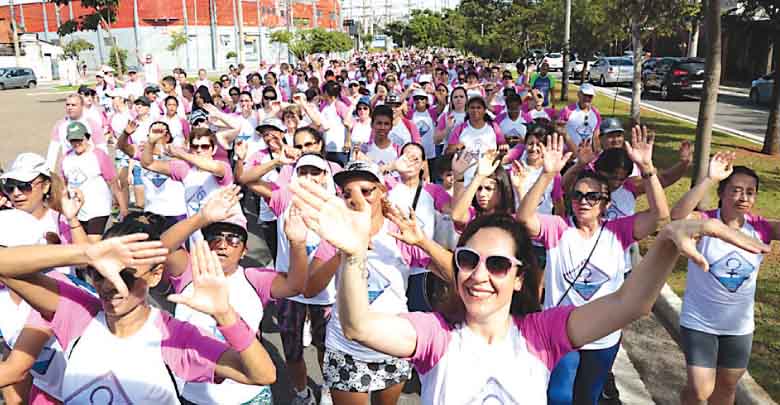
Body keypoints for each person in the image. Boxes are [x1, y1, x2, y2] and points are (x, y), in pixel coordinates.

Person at [286, 171, 769, 405]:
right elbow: (358, 324)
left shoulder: (544, 332)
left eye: (497, 264)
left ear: (519, 278)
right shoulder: (435, 334)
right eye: (469, 261)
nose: (479, 275)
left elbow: (630, 302)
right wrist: (353, 255)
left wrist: (666, 243)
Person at [0, 215, 278, 404]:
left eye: (128, 276)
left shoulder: (174, 337)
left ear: (155, 276)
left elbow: (262, 375)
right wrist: (85, 253)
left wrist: (225, 315)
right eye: (99, 274)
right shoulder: (79, 316)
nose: (111, 286)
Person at [516, 131, 669, 405]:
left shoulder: (619, 231)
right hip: (560, 331)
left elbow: (660, 216)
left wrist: (648, 169)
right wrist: (547, 175)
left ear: (605, 204)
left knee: (588, 397)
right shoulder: (558, 228)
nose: (583, 201)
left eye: (592, 197)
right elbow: (525, 218)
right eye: (577, 195)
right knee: (558, 397)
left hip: (603, 335)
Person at [299, 160, 437, 405]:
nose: (358, 199)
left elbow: (451, 272)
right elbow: (310, 289)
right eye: (348, 193)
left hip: (394, 342)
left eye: (366, 191)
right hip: (346, 346)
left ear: (382, 191)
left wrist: (423, 242)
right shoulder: (336, 232)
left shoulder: (399, 231)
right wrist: (346, 251)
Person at [670, 152, 779, 405]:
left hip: (738, 327)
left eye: (750, 192)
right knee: (699, 390)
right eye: (736, 190)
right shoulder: (705, 221)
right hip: (700, 322)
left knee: (727, 387)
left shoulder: (761, 228)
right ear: (722, 193)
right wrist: (709, 178)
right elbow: (677, 216)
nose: (743, 197)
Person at [60, 122, 127, 242]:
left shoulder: (98, 155)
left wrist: (123, 208)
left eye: (79, 139)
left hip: (98, 208)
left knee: (92, 244)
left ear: (87, 137)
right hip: (76, 210)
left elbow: (113, 182)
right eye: (72, 140)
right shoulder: (66, 158)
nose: (76, 143)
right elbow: (62, 186)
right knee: (80, 245)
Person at [47, 94, 106, 169]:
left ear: (82, 106)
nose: (70, 107)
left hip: (90, 166)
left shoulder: (92, 123)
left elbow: (101, 147)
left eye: (73, 105)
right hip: (69, 167)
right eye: (68, 105)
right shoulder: (59, 125)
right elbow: (53, 150)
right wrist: (49, 171)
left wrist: (103, 166)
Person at [319, 81, 353, 166]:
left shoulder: (339, 105)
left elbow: (349, 124)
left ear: (327, 92)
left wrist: (347, 141)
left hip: (339, 148)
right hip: (326, 148)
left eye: (324, 92)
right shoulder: (325, 107)